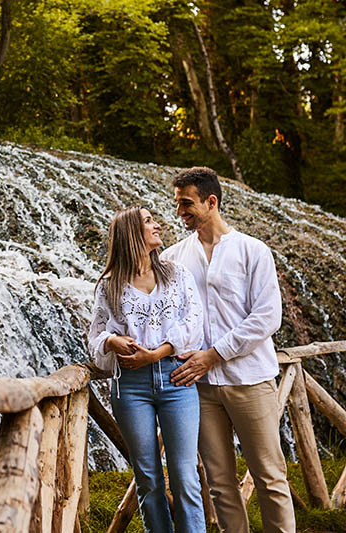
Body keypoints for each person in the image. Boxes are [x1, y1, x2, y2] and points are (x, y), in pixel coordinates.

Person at [162, 166, 295, 533]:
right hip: (197, 388)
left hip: (249, 379)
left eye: (187, 204)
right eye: (177, 204)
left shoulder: (253, 251)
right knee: (220, 485)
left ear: (211, 201)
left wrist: (214, 354)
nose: (180, 212)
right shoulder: (172, 258)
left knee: (270, 476)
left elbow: (268, 317)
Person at [89, 206, 205, 533]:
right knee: (149, 478)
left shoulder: (176, 274)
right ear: (131, 234)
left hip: (176, 379)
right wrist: (112, 342)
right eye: (148, 222)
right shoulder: (109, 285)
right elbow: (95, 335)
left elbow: (193, 324)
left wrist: (155, 355)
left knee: (185, 476)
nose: (157, 225)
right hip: (130, 387)